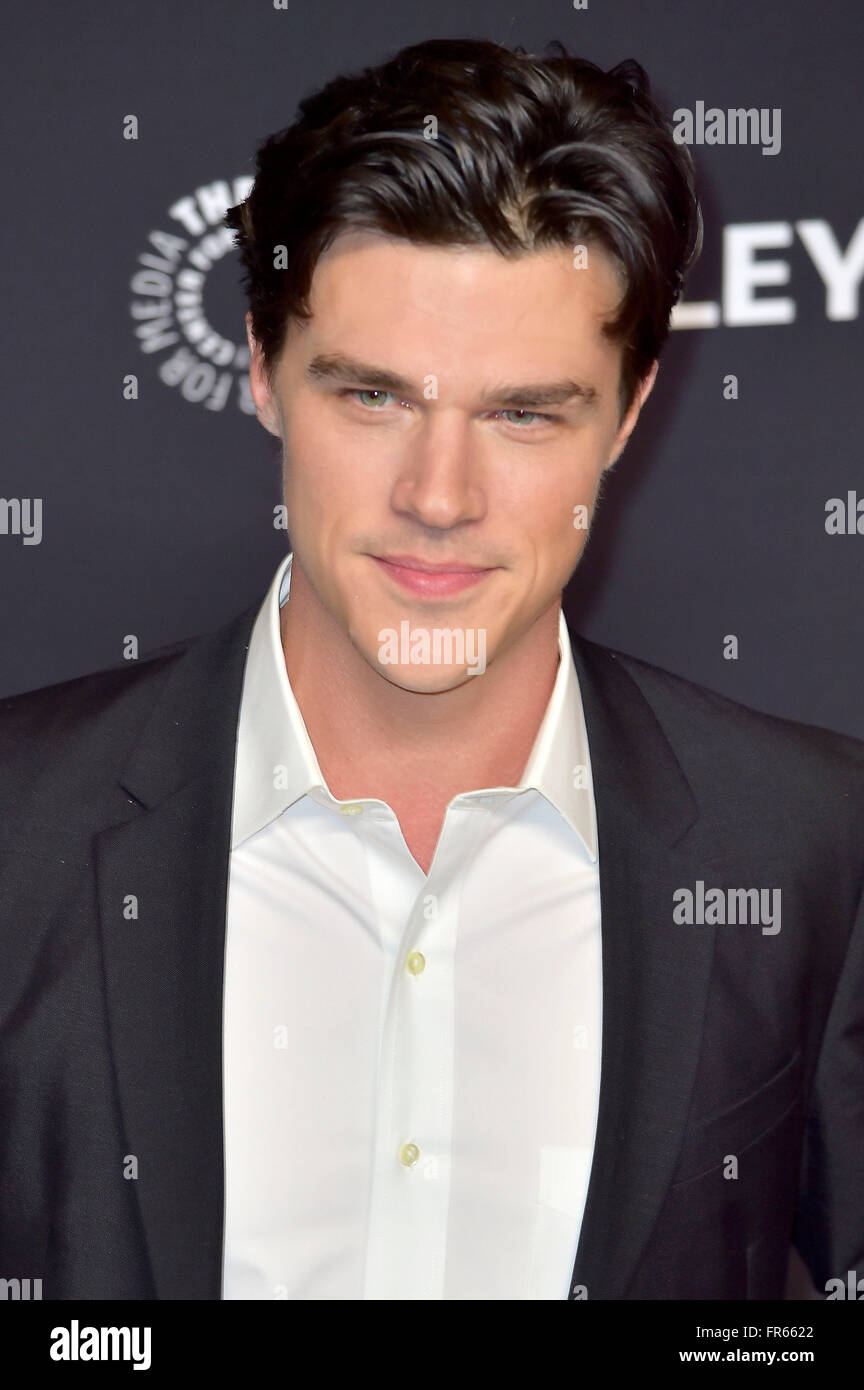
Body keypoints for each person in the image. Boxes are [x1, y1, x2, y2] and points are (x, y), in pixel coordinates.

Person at [0, 36, 861, 1302]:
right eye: (373, 398)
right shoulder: (18, 828)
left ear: (627, 415)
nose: (439, 496)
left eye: (525, 413)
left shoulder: (811, 844)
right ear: (260, 370)